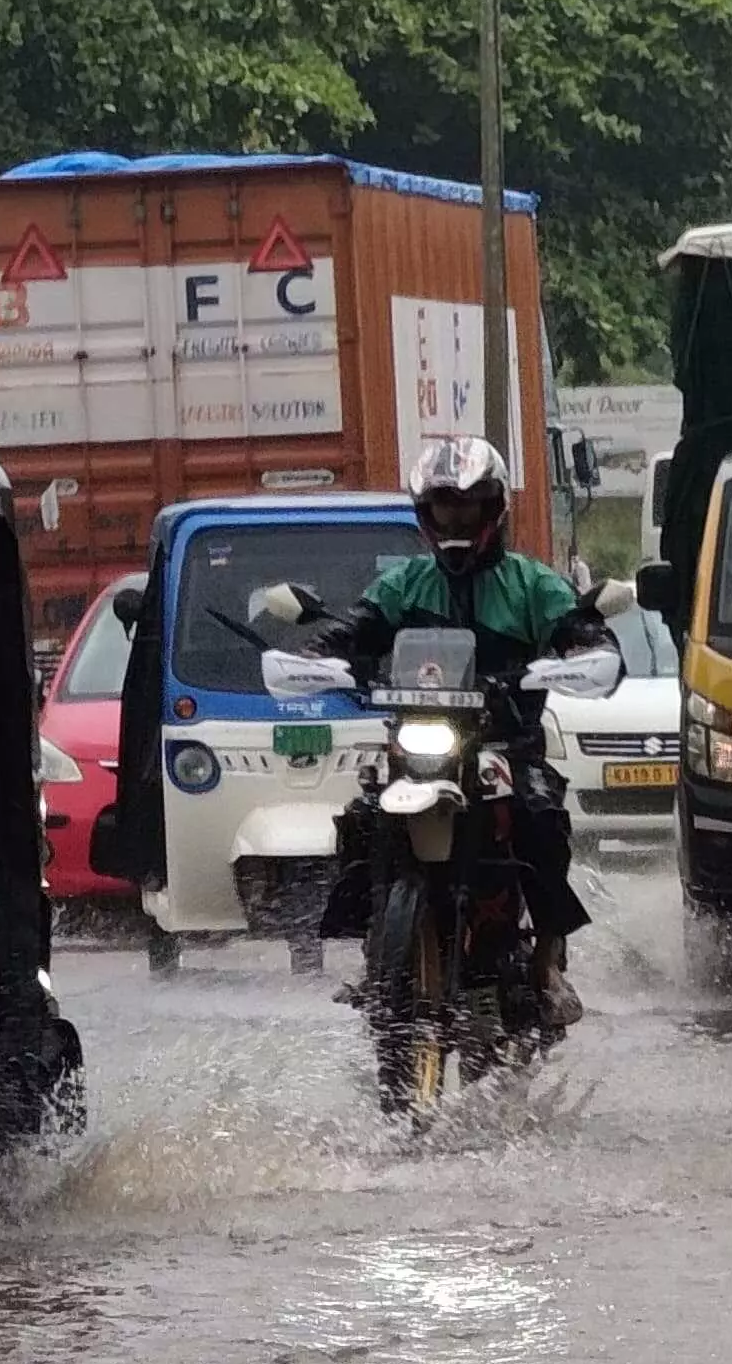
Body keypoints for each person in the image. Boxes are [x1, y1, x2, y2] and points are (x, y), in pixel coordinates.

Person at [251, 435, 611, 1022]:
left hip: (505, 745)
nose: (456, 521)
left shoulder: (532, 583)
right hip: (420, 737)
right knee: (364, 817)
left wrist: (585, 649)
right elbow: (355, 629)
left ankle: (547, 964)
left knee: (541, 818)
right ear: (426, 514)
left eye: (467, 507)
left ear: (493, 508)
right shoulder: (404, 584)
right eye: (445, 508)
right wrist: (317, 659)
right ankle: (377, 954)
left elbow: (578, 628)